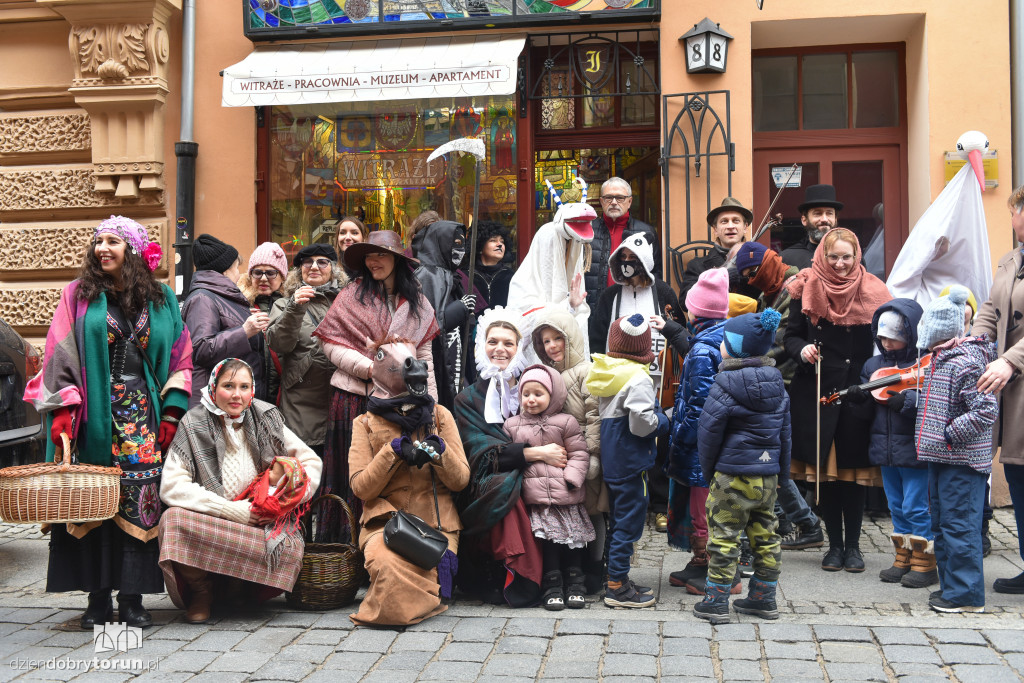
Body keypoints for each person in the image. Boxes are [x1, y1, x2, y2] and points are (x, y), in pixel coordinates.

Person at [25, 215, 192, 629]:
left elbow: (181, 356)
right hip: (92, 415)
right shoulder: (76, 296)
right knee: (91, 500)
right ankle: (97, 599)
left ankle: (132, 599)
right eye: (98, 241)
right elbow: (57, 353)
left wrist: (171, 410)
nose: (102, 249)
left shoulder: (161, 299)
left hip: (142, 418)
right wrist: (63, 410)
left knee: (138, 504)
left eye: (113, 241)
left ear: (132, 249)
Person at [159, 359, 321, 623]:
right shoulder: (193, 422)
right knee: (173, 521)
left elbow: (311, 462)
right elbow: (171, 486)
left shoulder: (266, 415)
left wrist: (283, 503)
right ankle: (202, 591)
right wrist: (230, 510)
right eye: (228, 386)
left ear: (252, 390)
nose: (237, 394)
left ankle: (239, 586)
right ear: (213, 388)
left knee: (288, 543)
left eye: (244, 386)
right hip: (214, 522)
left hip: (259, 521)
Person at [312, 230, 438, 532]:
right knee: (354, 475)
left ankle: (388, 547)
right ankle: (346, 549)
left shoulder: (418, 303)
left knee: (392, 476)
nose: (372, 261)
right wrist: (371, 369)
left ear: (397, 259)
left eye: (380, 254)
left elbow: (425, 357)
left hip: (402, 404)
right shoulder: (352, 295)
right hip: (355, 398)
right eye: (369, 255)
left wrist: (431, 404)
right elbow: (330, 345)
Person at [783, 228, 892, 572]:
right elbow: (790, 336)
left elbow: (888, 338)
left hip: (858, 391)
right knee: (828, 476)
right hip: (817, 392)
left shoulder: (874, 289)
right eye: (834, 257)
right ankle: (833, 547)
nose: (841, 264)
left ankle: (855, 548)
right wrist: (802, 349)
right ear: (822, 256)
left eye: (847, 257)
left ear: (857, 255)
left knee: (852, 473)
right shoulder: (806, 285)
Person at [348, 339, 469, 626]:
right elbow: (361, 488)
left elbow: (461, 480)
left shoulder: (440, 416)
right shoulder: (364, 423)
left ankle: (417, 596)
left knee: (415, 573)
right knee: (389, 570)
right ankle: (412, 600)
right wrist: (392, 451)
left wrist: (440, 453)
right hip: (386, 526)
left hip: (435, 530)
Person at [693, 309, 790, 624]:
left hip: (732, 475)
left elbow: (708, 434)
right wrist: (781, 474)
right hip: (768, 477)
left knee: (724, 534)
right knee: (766, 535)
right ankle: (764, 598)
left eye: (724, 340)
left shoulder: (725, 383)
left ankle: (716, 600)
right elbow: (786, 435)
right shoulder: (778, 384)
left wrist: (710, 473)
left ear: (733, 346)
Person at [454, 308, 551, 606]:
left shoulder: (535, 388)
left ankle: (555, 574)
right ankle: (517, 574)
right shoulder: (467, 398)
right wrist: (531, 453)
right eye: (493, 341)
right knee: (504, 485)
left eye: (508, 343)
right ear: (481, 346)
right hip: (486, 477)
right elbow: (479, 454)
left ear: (519, 348)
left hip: (540, 468)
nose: (500, 349)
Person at [733, 241, 823, 550]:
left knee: (769, 460)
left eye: (754, 271)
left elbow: (782, 342)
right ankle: (795, 521)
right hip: (771, 381)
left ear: (771, 261)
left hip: (786, 383)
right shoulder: (766, 292)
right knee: (771, 460)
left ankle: (802, 523)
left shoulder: (794, 287)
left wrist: (740, 361)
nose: (750, 278)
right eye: (745, 275)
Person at [915, 287, 998, 613]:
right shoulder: (941, 359)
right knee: (944, 525)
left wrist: (949, 434)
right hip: (941, 456)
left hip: (961, 461)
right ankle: (952, 588)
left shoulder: (964, 363)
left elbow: (985, 410)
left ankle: (966, 595)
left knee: (960, 526)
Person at [844, 299, 934, 587]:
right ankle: (903, 557)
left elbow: (934, 402)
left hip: (916, 449)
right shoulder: (873, 366)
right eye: (882, 337)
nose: (887, 343)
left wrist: (908, 401)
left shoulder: (925, 362)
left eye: (893, 338)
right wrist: (859, 400)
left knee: (917, 506)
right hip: (885, 449)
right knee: (897, 506)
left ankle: (926, 562)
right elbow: (867, 413)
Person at [586, 314, 669, 608]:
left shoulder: (610, 371)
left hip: (613, 459)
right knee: (630, 522)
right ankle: (617, 587)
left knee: (618, 520)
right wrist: (663, 420)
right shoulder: (638, 379)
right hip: (632, 461)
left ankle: (614, 576)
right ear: (645, 346)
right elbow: (641, 425)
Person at [504, 364, 594, 610]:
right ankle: (552, 584)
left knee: (572, 542)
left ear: (553, 395)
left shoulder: (566, 422)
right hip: (537, 500)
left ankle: (576, 583)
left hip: (567, 496)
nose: (531, 400)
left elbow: (579, 453)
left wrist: (572, 478)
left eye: (538, 394)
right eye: (526, 394)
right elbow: (510, 457)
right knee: (549, 544)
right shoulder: (512, 425)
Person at [666, 268, 734, 594]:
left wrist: (681, 436)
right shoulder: (719, 340)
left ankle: (718, 571)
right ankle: (701, 560)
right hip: (714, 444)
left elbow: (701, 403)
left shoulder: (703, 350)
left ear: (697, 312)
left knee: (703, 506)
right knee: (706, 503)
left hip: (700, 446)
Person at [530, 307, 606, 593]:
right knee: (569, 513)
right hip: (558, 459)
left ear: (570, 338)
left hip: (584, 455)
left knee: (594, 510)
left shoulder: (586, 371)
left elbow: (595, 414)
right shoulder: (547, 374)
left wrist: (593, 455)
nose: (551, 346)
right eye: (545, 341)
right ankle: (570, 567)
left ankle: (595, 569)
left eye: (556, 338)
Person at [972, 184, 1024, 595]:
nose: (1013, 218)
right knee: (1017, 473)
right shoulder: (1011, 260)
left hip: (1015, 373)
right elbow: (991, 310)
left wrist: (1009, 359)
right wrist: (974, 342)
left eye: (1015, 210)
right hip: (1008, 389)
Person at [266, 243, 346, 458]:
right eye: (307, 262)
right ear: (299, 270)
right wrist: (295, 308)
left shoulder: (345, 301)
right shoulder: (284, 304)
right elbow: (278, 343)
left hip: (342, 399)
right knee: (308, 471)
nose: (314, 267)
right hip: (302, 404)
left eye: (322, 262)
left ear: (333, 269)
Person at [182, 234, 268, 408]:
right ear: (224, 270)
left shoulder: (221, 296)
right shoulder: (202, 298)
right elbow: (201, 348)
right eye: (237, 268)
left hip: (231, 402)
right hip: (214, 404)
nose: (239, 274)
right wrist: (244, 331)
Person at [507, 181, 593, 352]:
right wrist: (567, 306)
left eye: (572, 248)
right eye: (562, 248)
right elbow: (528, 323)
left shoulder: (575, 284)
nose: (567, 254)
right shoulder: (521, 285)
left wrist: (575, 307)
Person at [412, 218, 480, 410]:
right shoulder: (427, 276)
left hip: (455, 350)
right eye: (455, 244)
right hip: (438, 357)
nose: (460, 251)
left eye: (463, 245)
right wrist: (459, 308)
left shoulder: (451, 276)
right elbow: (426, 325)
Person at [585, 176, 659, 308]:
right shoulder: (587, 231)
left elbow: (655, 272)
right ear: (602, 201)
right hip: (593, 305)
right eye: (608, 198)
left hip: (632, 303)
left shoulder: (645, 232)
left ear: (629, 201)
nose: (614, 202)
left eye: (620, 198)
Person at [680, 198, 761, 305]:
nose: (730, 226)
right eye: (724, 221)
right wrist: (723, 278)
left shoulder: (758, 262)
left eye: (736, 221)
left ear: (745, 227)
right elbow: (686, 301)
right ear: (715, 229)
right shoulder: (697, 266)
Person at [238, 241, 288, 405]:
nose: (264, 278)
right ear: (250, 276)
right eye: (258, 273)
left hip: (285, 397)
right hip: (248, 396)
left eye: (271, 273)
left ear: (282, 276)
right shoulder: (239, 306)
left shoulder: (293, 307)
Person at [779, 184, 842, 271]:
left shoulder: (849, 257)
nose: (824, 219)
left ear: (835, 219)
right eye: (817, 213)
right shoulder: (787, 259)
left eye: (829, 213)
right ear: (804, 220)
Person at [468, 221, 514, 310]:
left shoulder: (510, 275)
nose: (499, 244)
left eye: (502, 241)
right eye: (493, 240)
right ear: (480, 246)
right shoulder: (466, 275)